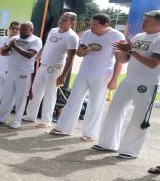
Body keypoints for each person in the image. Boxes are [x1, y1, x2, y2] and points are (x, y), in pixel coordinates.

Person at [95, 10, 160, 158]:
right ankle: (107, 143)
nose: (143, 23)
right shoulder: (139, 36)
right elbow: (124, 59)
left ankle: (129, 150)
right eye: (143, 20)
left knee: (140, 117)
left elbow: (153, 63)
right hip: (129, 79)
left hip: (149, 83)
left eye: (147, 21)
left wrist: (131, 50)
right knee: (115, 109)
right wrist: (119, 49)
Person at [50, 13, 124, 141]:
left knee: (96, 104)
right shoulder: (87, 34)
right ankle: (63, 128)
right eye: (91, 23)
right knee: (74, 99)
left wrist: (114, 79)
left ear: (106, 25)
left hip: (102, 74)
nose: (91, 27)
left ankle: (90, 134)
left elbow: (120, 60)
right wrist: (81, 52)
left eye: (95, 25)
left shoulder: (116, 36)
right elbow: (79, 52)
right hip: (84, 72)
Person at [23, 12, 79, 127]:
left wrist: (63, 75)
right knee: (35, 91)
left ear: (72, 23)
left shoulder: (72, 37)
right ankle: (30, 115)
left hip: (56, 68)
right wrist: (37, 58)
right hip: (43, 65)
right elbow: (46, 45)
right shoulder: (53, 31)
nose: (61, 20)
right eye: (61, 18)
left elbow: (71, 57)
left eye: (65, 19)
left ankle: (46, 121)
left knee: (50, 94)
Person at [0, 22, 42, 129]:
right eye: (20, 29)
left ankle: (17, 121)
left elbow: (29, 55)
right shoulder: (15, 38)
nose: (21, 31)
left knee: (20, 99)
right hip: (11, 71)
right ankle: (1, 118)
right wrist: (9, 47)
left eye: (24, 30)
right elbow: (3, 53)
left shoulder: (36, 40)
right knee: (6, 97)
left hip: (24, 73)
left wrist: (15, 46)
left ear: (31, 30)